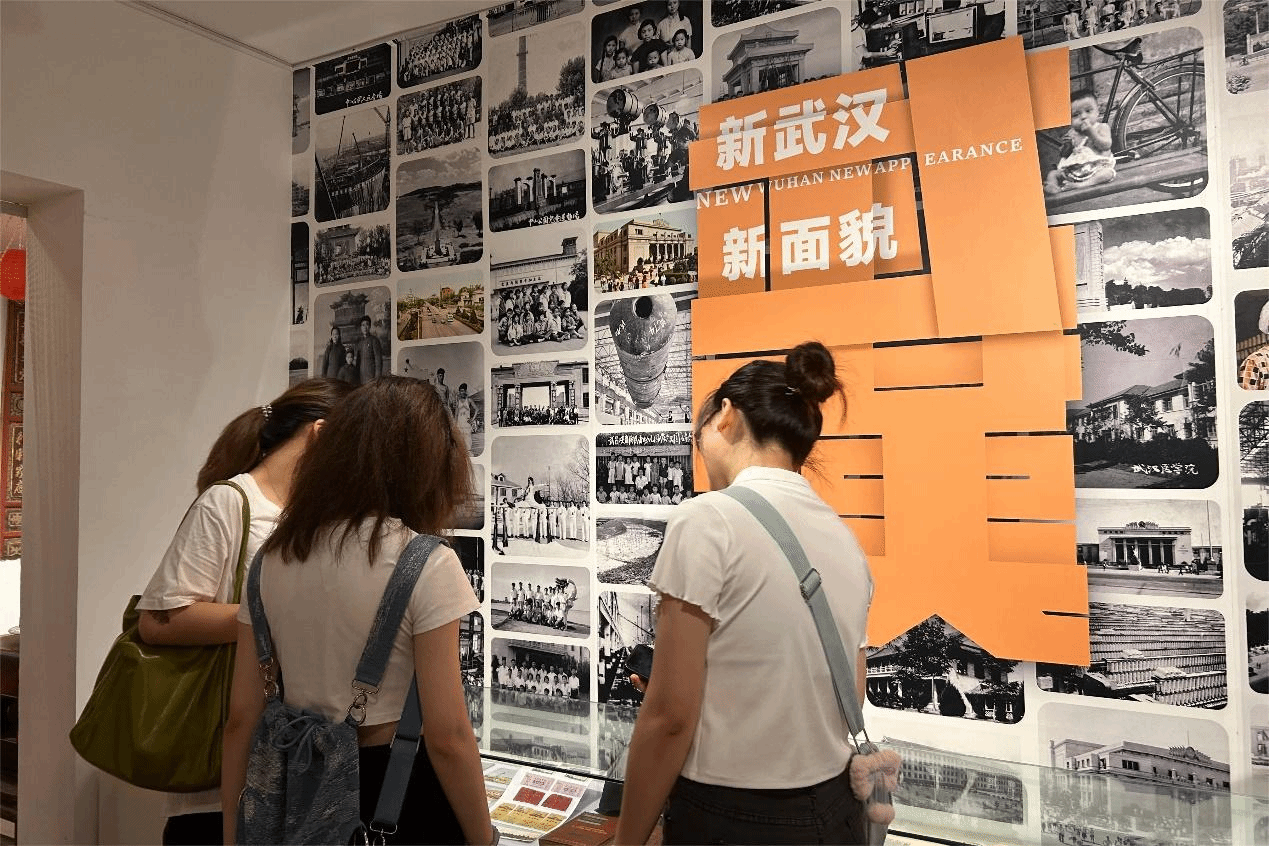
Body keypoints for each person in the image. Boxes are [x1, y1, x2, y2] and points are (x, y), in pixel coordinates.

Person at [613, 341, 873, 846]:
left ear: (727, 416)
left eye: (702, 427)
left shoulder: (707, 519)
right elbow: (849, 694)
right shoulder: (845, 540)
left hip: (732, 819)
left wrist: (627, 841)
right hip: (836, 814)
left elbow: (669, 718)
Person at [221, 377, 496, 846]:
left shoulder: (271, 558)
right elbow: (448, 736)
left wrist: (233, 836)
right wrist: (484, 839)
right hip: (396, 794)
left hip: (293, 785)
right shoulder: (427, 562)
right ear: (426, 468)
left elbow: (241, 719)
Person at [134, 378, 354, 846]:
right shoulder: (228, 503)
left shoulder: (315, 515)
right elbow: (159, 620)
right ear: (320, 433)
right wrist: (277, 616)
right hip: (218, 772)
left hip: (291, 760)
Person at [1044, 90, 1116, 194]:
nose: (1083, 117)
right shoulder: (1072, 133)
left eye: (1088, 111)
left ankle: (1082, 185)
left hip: (1096, 169)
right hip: (1075, 170)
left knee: (1108, 173)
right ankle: (1052, 186)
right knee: (1053, 174)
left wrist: (1091, 133)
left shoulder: (1102, 127)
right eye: (1076, 115)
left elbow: (1106, 146)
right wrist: (1066, 147)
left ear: (1097, 111)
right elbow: (1066, 155)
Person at [354, 314, 384, 384]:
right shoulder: (359, 343)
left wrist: (377, 378)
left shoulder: (374, 340)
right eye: (363, 325)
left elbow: (378, 361)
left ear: (370, 326)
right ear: (361, 327)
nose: (365, 327)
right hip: (361, 378)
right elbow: (358, 362)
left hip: (371, 378)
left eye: (367, 324)